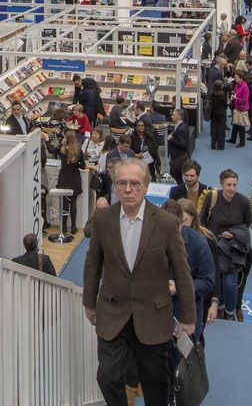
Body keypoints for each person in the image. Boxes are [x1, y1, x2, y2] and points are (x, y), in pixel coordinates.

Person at [82, 158, 195, 406]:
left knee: (156, 385)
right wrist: (89, 303)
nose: (128, 189)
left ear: (146, 187)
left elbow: (182, 272)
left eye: (134, 183)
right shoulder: (102, 220)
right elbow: (93, 264)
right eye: (122, 183)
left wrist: (188, 316)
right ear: (115, 186)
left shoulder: (166, 223)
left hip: (153, 317)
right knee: (108, 376)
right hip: (113, 313)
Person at [205, 170, 251, 316]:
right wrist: (219, 235)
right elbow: (202, 222)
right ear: (221, 184)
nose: (231, 188)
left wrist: (234, 234)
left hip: (233, 250)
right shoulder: (212, 198)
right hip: (215, 248)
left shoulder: (243, 201)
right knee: (217, 282)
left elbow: (247, 223)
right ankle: (219, 308)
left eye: (234, 185)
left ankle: (230, 312)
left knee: (230, 284)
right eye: (228, 185)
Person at [170, 199, 216, 344]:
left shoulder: (199, 243)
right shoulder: (151, 238)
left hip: (185, 319)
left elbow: (208, 281)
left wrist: (179, 287)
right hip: (153, 320)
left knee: (184, 363)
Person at [55, 130, 84, 235]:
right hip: (74, 178)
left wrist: (46, 140)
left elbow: (51, 150)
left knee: (64, 204)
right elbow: (83, 166)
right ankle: (73, 226)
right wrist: (77, 163)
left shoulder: (62, 149)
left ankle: (63, 227)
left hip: (64, 178)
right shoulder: (78, 151)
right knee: (73, 202)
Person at [166, 108, 192, 183]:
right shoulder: (181, 125)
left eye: (173, 115)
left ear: (178, 116)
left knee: (176, 178)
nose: (171, 116)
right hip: (179, 158)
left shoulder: (181, 128)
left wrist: (171, 139)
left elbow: (182, 143)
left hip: (179, 158)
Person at [206, 80, 227, 150]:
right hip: (222, 113)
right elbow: (225, 105)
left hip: (214, 113)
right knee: (221, 130)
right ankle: (220, 146)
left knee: (213, 129)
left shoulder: (212, 94)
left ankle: (213, 145)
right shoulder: (223, 95)